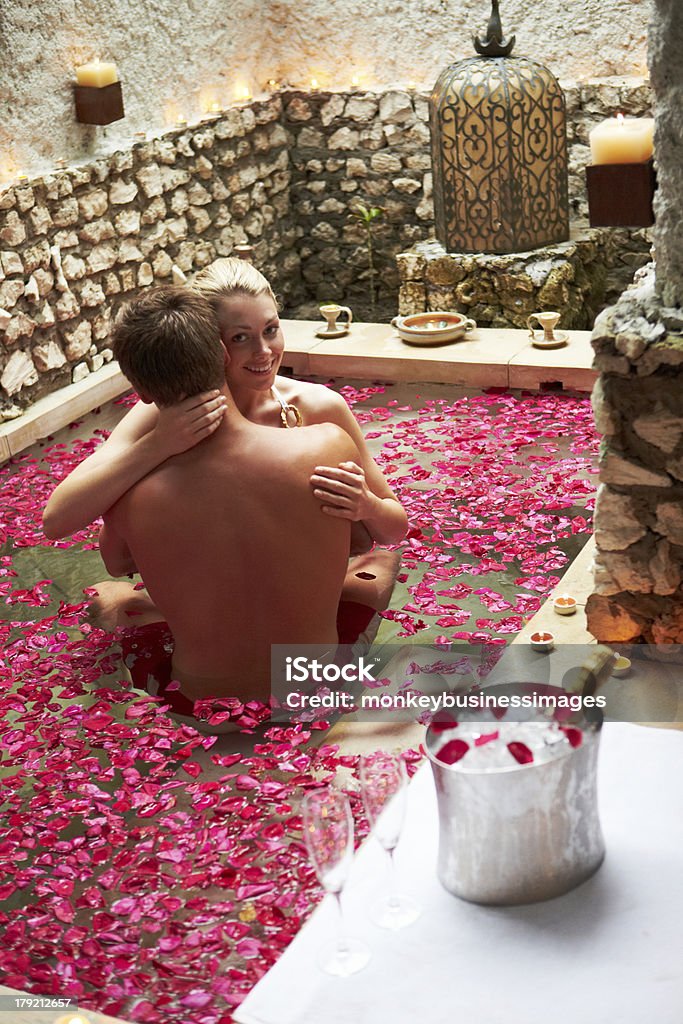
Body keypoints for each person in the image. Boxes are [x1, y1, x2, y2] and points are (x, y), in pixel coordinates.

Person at [96, 286, 361, 720]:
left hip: (201, 703)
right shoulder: (326, 446)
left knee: (114, 595)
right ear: (223, 355)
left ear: (139, 390)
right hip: (317, 687)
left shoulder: (127, 496)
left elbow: (114, 564)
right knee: (373, 567)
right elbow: (364, 539)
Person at [42, 258, 408, 555]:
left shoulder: (319, 407)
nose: (263, 352)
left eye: (270, 329)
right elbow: (57, 521)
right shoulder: (168, 417)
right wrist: (157, 445)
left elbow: (395, 528)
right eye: (240, 338)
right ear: (212, 345)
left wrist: (367, 506)